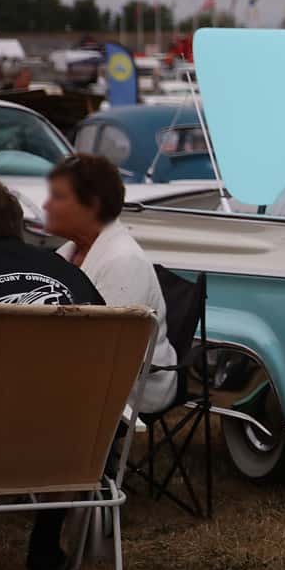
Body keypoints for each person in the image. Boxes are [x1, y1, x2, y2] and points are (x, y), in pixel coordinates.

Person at [0, 179, 104, 570]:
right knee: (66, 406)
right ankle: (45, 544)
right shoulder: (70, 275)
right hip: (72, 446)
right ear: (18, 225)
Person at [42, 154, 178, 413]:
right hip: (81, 372)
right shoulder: (68, 253)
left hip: (132, 389)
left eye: (58, 197)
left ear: (91, 205)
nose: (46, 206)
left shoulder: (123, 262)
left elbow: (105, 348)